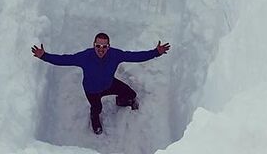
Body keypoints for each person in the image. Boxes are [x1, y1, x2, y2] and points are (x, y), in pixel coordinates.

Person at [32, 32, 170, 134]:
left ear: (109, 46)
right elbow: (64, 60)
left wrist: (155, 52)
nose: (101, 49)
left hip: (109, 84)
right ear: (94, 45)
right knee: (97, 108)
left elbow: (134, 56)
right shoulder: (85, 57)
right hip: (92, 91)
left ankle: (120, 101)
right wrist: (44, 56)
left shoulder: (115, 55)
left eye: (105, 46)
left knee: (131, 93)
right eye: (98, 45)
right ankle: (94, 118)